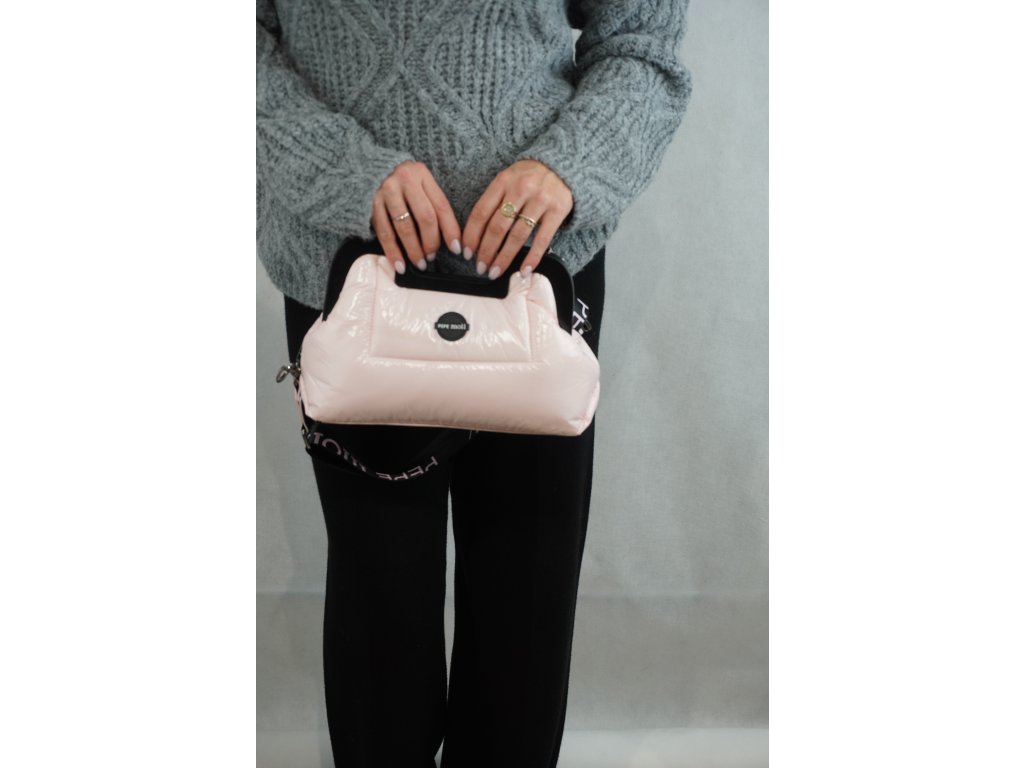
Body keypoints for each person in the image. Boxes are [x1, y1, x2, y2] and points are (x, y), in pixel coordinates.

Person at [257, 1, 692, 766]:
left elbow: (642, 44)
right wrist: (343, 168)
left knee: (524, 614)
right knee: (380, 611)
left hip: (539, 280)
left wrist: (569, 163)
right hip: (350, 279)